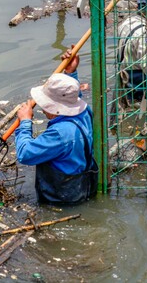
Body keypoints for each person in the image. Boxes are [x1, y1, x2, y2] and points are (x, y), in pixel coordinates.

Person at [15, 49, 98, 205]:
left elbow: (25, 154)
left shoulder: (60, 134)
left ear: (56, 108)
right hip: (85, 186)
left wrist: (25, 122)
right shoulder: (85, 112)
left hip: (62, 197)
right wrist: (70, 72)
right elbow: (73, 97)